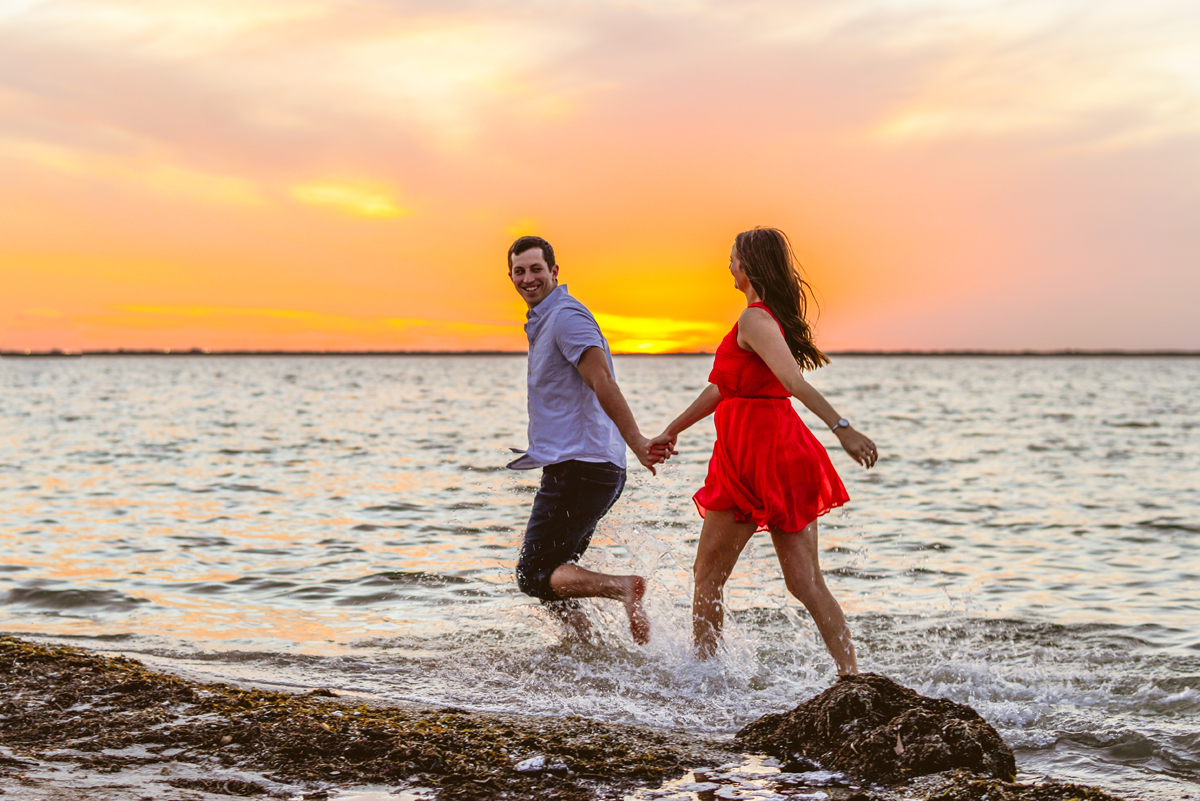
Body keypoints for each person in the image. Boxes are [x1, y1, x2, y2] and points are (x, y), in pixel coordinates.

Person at [650, 227, 877, 674]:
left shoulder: (755, 319)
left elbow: (793, 383)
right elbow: (721, 388)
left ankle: (704, 675)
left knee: (709, 577)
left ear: (748, 266)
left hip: (761, 455)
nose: (728, 265)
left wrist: (843, 428)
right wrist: (672, 430)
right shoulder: (762, 319)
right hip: (763, 452)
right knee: (804, 582)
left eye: (733, 258)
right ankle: (851, 674)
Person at [507, 235, 664, 645]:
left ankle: (623, 588)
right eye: (519, 271)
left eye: (536, 269)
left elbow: (602, 380)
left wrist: (638, 441)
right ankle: (586, 652)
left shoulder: (565, 318)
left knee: (534, 573)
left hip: (583, 465)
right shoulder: (546, 318)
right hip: (584, 465)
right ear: (510, 276)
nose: (528, 278)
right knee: (556, 574)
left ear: (555, 272)